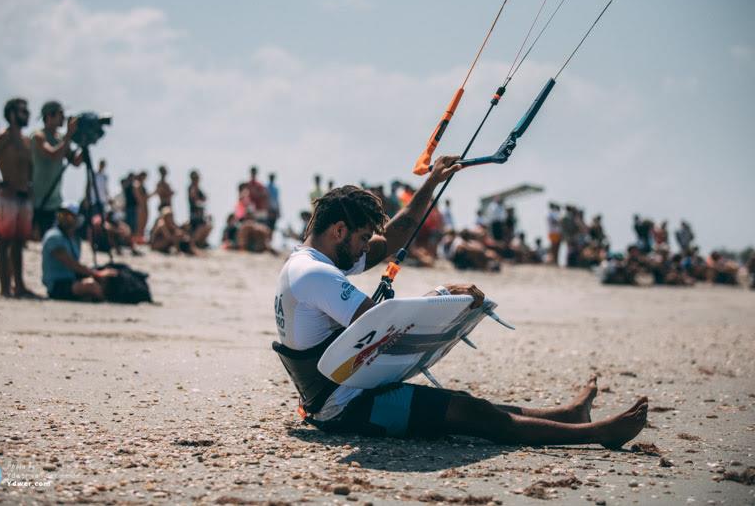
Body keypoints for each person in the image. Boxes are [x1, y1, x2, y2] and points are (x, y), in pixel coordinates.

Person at [273, 155, 648, 447]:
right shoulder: (316, 274)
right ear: (339, 231)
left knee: (468, 406)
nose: (364, 248)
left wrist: (432, 182)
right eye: (361, 238)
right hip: (347, 409)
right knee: (474, 415)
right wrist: (442, 296)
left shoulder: (312, 263)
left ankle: (569, 414)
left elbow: (398, 234)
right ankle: (598, 434)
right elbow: (381, 329)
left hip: (346, 393)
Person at [0, 98, 36, 298]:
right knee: (4, 240)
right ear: (13, 114)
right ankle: (5, 287)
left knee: (18, 241)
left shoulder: (25, 140)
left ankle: (19, 285)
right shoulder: (4, 137)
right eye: (23, 111)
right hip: (8, 194)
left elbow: (30, 167)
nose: (27, 114)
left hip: (23, 195)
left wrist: (30, 185)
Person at [41, 203, 116, 301]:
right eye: (61, 215)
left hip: (72, 279)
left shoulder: (75, 239)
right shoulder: (53, 236)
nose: (64, 219)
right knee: (91, 285)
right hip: (57, 285)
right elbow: (71, 264)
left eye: (69, 216)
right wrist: (98, 274)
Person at [31, 101, 81, 238]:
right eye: (61, 114)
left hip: (55, 200)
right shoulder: (38, 136)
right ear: (49, 116)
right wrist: (69, 135)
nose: (64, 118)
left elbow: (75, 162)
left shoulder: (60, 138)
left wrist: (86, 141)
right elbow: (52, 154)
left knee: (53, 236)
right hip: (38, 199)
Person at [188, 169, 213, 248]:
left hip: (200, 214)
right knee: (202, 226)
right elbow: (195, 200)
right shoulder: (192, 188)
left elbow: (205, 198)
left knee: (207, 224)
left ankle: (201, 242)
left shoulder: (197, 188)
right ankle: (195, 243)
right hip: (195, 214)